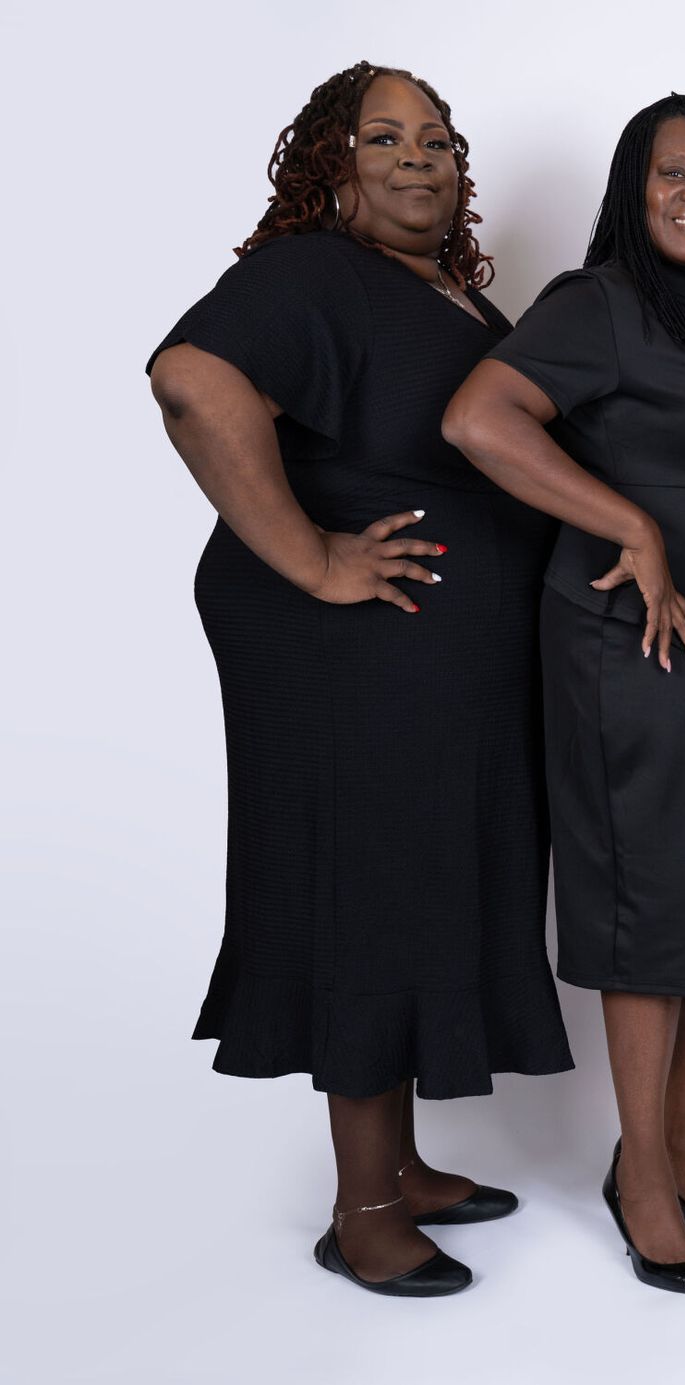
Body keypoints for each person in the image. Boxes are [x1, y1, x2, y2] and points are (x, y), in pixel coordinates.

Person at [146, 62, 572, 1298]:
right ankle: (366, 1205)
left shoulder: (445, 294)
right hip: (353, 656)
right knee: (371, 892)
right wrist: (313, 555)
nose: (417, 157)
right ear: (330, 165)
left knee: (425, 882)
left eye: (437, 138)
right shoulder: (306, 274)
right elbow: (190, 379)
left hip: (436, 662)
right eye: (382, 137)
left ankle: (406, 1161)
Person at [443, 94, 685, 1299]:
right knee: (651, 912)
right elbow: (477, 417)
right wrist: (630, 523)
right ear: (635, 184)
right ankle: (647, 1184)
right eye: (677, 172)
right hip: (635, 642)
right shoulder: (596, 304)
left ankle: (674, 1147)